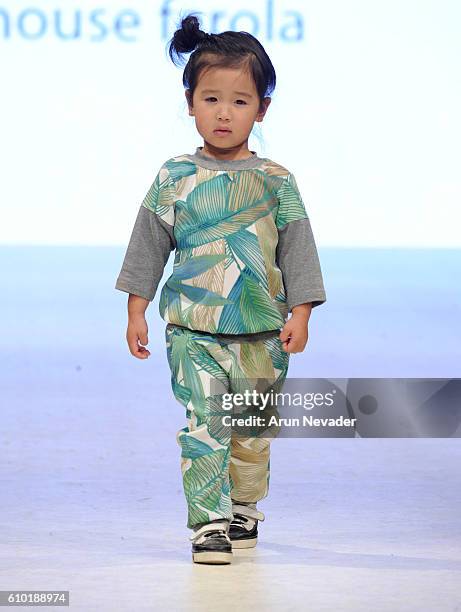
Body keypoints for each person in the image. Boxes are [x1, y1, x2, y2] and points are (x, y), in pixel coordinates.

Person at [115, 13, 326, 565]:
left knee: (250, 436)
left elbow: (297, 251)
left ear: (262, 108)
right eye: (210, 99)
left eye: (239, 101)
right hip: (193, 329)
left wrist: (301, 312)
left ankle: (243, 508)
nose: (223, 113)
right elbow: (148, 246)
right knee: (204, 426)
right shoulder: (174, 176)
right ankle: (207, 525)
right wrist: (137, 310)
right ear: (190, 102)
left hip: (262, 331)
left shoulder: (277, 180)